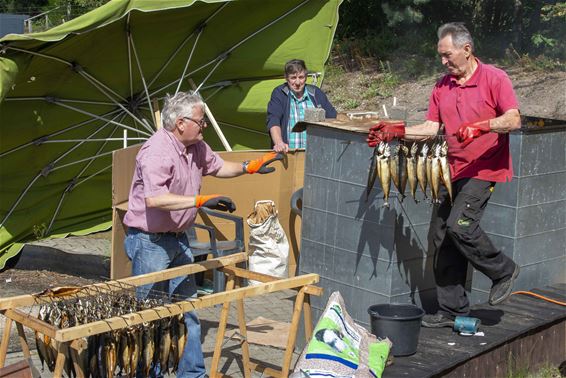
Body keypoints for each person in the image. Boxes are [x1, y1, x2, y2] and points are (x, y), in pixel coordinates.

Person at [367, 23, 521, 327]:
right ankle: (453, 311)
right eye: (440, 56)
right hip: (451, 170)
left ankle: (503, 270)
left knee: (460, 226)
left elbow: (513, 119)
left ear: (467, 50)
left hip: (485, 167)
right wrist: (395, 133)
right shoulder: (442, 86)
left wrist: (481, 126)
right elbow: (430, 129)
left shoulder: (495, 78)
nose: (443, 61)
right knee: (440, 236)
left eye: (447, 55)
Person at [123, 91, 283, 377]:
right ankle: (146, 373)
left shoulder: (196, 145)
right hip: (150, 243)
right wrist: (199, 201)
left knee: (188, 311)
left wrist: (249, 167)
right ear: (181, 122)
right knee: (147, 317)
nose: (204, 126)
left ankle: (193, 374)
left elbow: (219, 166)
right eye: (201, 121)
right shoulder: (157, 151)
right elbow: (155, 199)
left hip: (178, 239)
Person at [267, 58, 337, 153]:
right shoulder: (279, 93)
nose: (297, 83)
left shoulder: (316, 93)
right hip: (288, 153)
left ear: (306, 76)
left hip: (315, 152)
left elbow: (333, 118)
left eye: (301, 77)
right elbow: (273, 120)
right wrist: (279, 143)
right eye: (293, 78)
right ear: (286, 78)